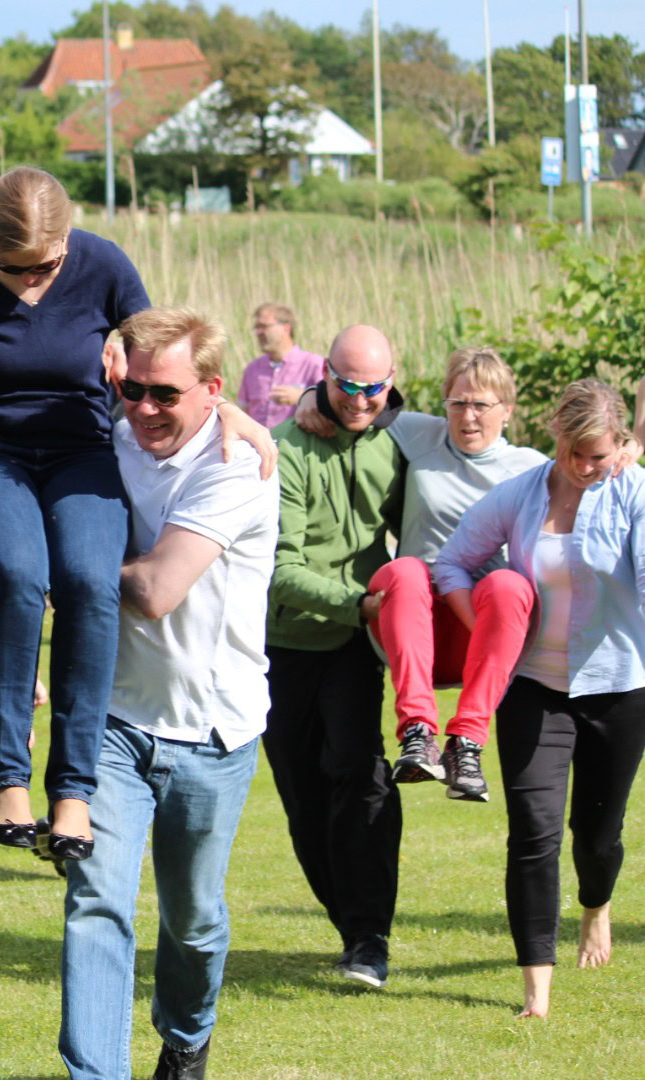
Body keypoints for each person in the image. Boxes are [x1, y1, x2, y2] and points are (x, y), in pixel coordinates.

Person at [0, 164, 272, 855]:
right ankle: (10, 774)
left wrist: (228, 410)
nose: (32, 281)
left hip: (80, 450)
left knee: (90, 580)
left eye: (45, 266)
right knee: (16, 575)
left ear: (68, 241)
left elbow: (166, 354)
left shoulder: (104, 263)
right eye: (13, 268)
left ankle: (74, 790)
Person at [59, 308, 277, 1080]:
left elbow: (155, 590)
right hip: (114, 723)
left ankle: (186, 1039)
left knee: (194, 921)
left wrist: (59, 568)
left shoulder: (234, 464)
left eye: (166, 394)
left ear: (213, 390)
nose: (145, 409)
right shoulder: (107, 434)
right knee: (96, 905)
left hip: (214, 734)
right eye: (134, 391)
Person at [434, 378, 645, 1020]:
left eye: (599, 458)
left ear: (622, 448)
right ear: (556, 439)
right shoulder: (521, 493)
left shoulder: (635, 493)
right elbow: (452, 563)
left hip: (619, 687)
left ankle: (597, 905)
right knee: (533, 831)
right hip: (532, 688)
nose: (584, 469)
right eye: (574, 454)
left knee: (597, 835)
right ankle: (537, 990)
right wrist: (492, 630)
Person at [292, 348, 546, 801]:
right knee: (405, 569)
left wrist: (628, 446)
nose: (468, 417)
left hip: (480, 628)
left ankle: (466, 743)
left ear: (507, 410)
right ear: (444, 404)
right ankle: (417, 733)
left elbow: (591, 466)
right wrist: (310, 396)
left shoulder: (530, 469)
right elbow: (359, 403)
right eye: (458, 403)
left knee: (509, 583)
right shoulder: (419, 434)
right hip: (413, 623)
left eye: (481, 405)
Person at [264, 324, 406, 990]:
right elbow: (278, 567)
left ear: (393, 377)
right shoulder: (288, 448)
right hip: (285, 644)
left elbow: (473, 457)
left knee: (363, 773)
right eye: (348, 385)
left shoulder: (404, 438)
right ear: (326, 372)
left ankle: (368, 935)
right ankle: (349, 925)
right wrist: (361, 603)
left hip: (356, 644)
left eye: (375, 387)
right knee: (303, 796)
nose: (361, 399)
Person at [236, 303, 323, 427]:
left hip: (296, 444)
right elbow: (241, 411)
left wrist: (302, 397)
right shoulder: (252, 369)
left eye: (264, 326)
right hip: (256, 444)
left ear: (286, 328)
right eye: (257, 327)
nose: (259, 332)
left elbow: (330, 404)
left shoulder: (313, 364)